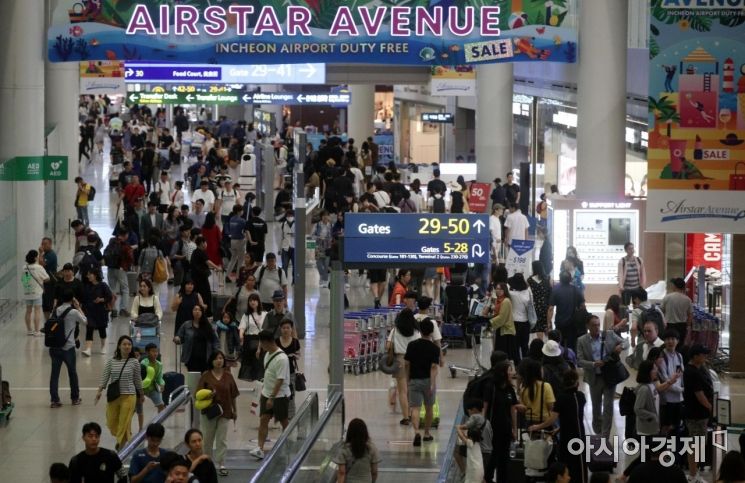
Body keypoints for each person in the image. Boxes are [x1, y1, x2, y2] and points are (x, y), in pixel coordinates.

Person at [576, 315, 628, 437]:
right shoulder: (582, 340)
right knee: (596, 406)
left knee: (608, 406)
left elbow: (626, 342)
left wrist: (621, 346)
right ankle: (597, 430)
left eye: (598, 325)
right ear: (587, 326)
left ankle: (605, 434)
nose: (597, 327)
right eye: (594, 325)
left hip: (609, 376)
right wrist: (593, 364)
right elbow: (580, 361)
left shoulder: (608, 335)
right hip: (594, 377)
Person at [96, 335, 144, 450]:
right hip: (114, 397)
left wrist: (141, 394)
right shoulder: (111, 362)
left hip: (129, 396)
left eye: (129, 344)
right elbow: (105, 376)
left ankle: (120, 447)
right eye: (124, 344)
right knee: (111, 422)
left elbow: (138, 380)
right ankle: (124, 438)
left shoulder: (134, 362)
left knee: (124, 422)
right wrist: (99, 391)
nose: (127, 346)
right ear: (119, 346)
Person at [250, 330, 292, 460]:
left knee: (284, 421)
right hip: (266, 393)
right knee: (263, 420)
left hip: (279, 396)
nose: (260, 346)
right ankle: (260, 448)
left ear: (267, 342)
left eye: (261, 343)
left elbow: (280, 380)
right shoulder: (268, 354)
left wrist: (271, 398)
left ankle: (288, 445)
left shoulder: (282, 358)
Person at [197, 350, 239, 477]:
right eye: (216, 358)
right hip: (209, 412)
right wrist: (210, 395)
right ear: (211, 361)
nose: (219, 361)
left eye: (221, 358)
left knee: (222, 439)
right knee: (207, 438)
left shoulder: (228, 376)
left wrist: (235, 410)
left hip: (225, 411)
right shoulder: (206, 376)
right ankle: (206, 462)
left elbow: (233, 395)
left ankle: (221, 463)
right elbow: (198, 395)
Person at [482, 358, 518, 483]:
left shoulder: (510, 390)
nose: (513, 373)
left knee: (504, 457)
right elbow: (485, 408)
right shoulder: (491, 387)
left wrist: (514, 429)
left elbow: (513, 411)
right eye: (510, 370)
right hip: (493, 428)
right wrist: (482, 426)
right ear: (503, 372)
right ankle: (487, 478)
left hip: (506, 429)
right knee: (493, 455)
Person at [404, 318, 440, 446]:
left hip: (414, 380)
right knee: (429, 408)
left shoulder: (412, 345)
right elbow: (434, 367)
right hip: (428, 381)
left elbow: (406, 364)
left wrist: (408, 380)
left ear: (420, 330)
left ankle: (416, 432)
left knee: (415, 408)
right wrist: (432, 383)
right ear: (431, 332)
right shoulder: (434, 348)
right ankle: (426, 434)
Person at [48, 289, 86, 408]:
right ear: (72, 299)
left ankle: (55, 400)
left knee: (54, 374)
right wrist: (78, 307)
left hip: (54, 347)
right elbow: (85, 321)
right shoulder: (73, 312)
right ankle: (75, 398)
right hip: (68, 347)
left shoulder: (55, 311)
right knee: (72, 373)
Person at [683, 344, 714, 483]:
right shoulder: (692, 372)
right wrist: (709, 407)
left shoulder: (698, 369)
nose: (705, 356)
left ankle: (694, 473)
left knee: (697, 444)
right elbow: (699, 394)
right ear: (695, 356)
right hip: (696, 414)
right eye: (703, 354)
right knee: (695, 444)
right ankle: (693, 475)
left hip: (700, 414)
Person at [552, 369, 587, 483]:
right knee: (579, 466)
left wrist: (537, 426)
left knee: (565, 464)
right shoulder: (580, 396)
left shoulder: (561, 398)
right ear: (577, 382)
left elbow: (555, 418)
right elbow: (574, 417)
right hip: (578, 436)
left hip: (565, 437)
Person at [386, 308, 420, 422]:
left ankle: (405, 417)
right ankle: (412, 413)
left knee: (402, 391)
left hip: (400, 360)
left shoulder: (395, 330)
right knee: (411, 389)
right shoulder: (416, 331)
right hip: (414, 360)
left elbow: (388, 346)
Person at [333, 418, 381, 483]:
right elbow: (374, 471)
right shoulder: (371, 448)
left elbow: (342, 472)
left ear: (349, 432)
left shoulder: (344, 449)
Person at [547, 271, 585, 352]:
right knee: (572, 345)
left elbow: (551, 308)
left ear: (560, 279)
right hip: (573, 322)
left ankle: (560, 360)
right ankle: (571, 361)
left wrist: (548, 323)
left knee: (559, 344)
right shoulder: (575, 289)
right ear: (570, 279)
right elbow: (582, 305)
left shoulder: (555, 290)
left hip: (560, 322)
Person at [174, 305, 219, 373]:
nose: (197, 311)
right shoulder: (186, 325)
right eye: (195, 309)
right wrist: (177, 338)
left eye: (199, 310)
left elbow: (215, 341)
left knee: (204, 380)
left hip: (206, 358)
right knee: (193, 380)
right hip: (191, 358)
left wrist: (216, 354)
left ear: (202, 312)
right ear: (192, 312)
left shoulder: (209, 326)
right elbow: (179, 337)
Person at [455, 399, 492, 478]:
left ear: (474, 409)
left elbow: (464, 426)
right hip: (489, 452)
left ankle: (464, 472)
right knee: (481, 476)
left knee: (456, 451)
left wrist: (458, 427)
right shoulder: (487, 421)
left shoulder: (475, 417)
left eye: (469, 410)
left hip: (480, 451)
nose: (469, 412)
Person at [657, 329, 684, 435]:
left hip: (679, 399)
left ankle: (675, 449)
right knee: (665, 427)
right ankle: (663, 449)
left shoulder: (679, 356)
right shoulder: (662, 357)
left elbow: (681, 376)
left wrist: (681, 390)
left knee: (676, 426)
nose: (670, 341)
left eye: (673, 339)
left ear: (677, 341)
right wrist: (681, 390)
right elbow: (664, 379)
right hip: (667, 399)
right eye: (667, 339)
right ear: (664, 341)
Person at [519, 358, 558, 432]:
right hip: (544, 423)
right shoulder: (546, 386)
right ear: (538, 372)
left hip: (528, 423)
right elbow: (551, 407)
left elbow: (523, 409)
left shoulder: (523, 389)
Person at [81, 269, 113, 356]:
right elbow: (84, 298)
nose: (88, 276)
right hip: (90, 311)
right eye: (87, 275)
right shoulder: (87, 286)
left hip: (101, 311)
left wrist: (101, 299)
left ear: (95, 275)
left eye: (90, 274)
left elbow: (110, 296)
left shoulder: (103, 285)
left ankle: (103, 346)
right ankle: (88, 349)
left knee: (102, 329)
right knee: (89, 328)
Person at [487, 283, 518, 364]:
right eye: (497, 289)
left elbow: (502, 317)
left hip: (506, 332)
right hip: (500, 329)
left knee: (506, 355)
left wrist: (490, 321)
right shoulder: (498, 300)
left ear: (504, 290)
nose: (498, 291)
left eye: (500, 289)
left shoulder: (506, 301)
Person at [21, 249, 50, 335]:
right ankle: (37, 331)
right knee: (37, 311)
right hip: (37, 292)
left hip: (27, 292)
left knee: (28, 311)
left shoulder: (24, 267)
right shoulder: (38, 267)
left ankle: (29, 330)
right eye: (37, 256)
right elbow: (47, 278)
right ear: (35, 257)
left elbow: (24, 280)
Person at [190, 235, 220, 318]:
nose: (206, 244)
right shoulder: (201, 252)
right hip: (201, 279)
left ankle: (199, 312)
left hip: (195, 278)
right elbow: (208, 262)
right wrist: (217, 268)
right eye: (205, 242)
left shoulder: (195, 252)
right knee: (206, 295)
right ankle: (207, 313)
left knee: (198, 295)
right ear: (202, 243)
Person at [277, 319, 301, 418]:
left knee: (291, 395)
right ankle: (279, 415)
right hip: (278, 372)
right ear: (280, 329)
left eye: (288, 328)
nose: (286, 330)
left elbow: (298, 355)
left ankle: (291, 416)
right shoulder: (276, 341)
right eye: (284, 328)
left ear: (291, 329)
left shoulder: (295, 342)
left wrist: (292, 356)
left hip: (290, 372)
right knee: (279, 394)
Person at [106, 231, 134, 318]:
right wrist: (127, 266)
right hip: (121, 269)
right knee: (125, 289)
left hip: (110, 268)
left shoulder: (111, 243)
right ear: (125, 235)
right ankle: (123, 309)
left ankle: (113, 309)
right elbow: (130, 257)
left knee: (112, 288)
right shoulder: (125, 245)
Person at [661, 277, 693, 351]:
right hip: (682, 326)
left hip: (669, 325)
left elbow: (662, 311)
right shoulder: (687, 300)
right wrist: (688, 327)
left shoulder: (667, 297)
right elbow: (690, 315)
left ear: (674, 286)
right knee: (680, 346)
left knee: (669, 346)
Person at [225, 204, 253, 283]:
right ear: (238, 211)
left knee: (233, 259)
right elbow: (246, 231)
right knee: (240, 260)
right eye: (241, 210)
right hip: (240, 241)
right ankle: (238, 277)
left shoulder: (231, 219)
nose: (243, 212)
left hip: (232, 241)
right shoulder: (242, 220)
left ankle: (227, 276)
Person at [508, 273, 531, 363]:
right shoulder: (528, 291)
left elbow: (507, 282)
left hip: (514, 322)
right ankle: (526, 362)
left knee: (515, 345)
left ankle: (517, 363)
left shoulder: (511, 293)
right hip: (525, 321)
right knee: (525, 344)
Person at [634, 360, 660, 436]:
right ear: (647, 372)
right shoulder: (644, 389)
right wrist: (653, 416)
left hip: (653, 427)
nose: (656, 371)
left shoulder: (652, 385)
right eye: (653, 369)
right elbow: (638, 409)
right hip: (645, 431)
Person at [528, 261, 552, 337]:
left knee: (538, 327)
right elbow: (551, 291)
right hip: (546, 305)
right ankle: (550, 343)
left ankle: (540, 344)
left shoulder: (529, 280)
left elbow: (528, 293)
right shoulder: (548, 278)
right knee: (547, 325)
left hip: (535, 306)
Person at [313, 210, 333, 287]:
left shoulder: (331, 225)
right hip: (318, 246)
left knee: (326, 264)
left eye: (327, 215)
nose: (325, 217)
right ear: (321, 217)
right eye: (324, 215)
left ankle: (324, 280)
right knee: (318, 263)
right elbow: (312, 235)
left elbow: (333, 235)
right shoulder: (317, 225)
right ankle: (323, 276)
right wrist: (318, 237)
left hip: (328, 247)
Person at [279, 209, 296, 274]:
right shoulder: (283, 225)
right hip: (285, 248)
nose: (289, 217)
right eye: (288, 215)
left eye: (291, 215)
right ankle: (284, 281)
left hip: (295, 248)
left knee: (295, 266)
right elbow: (280, 237)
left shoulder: (298, 224)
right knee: (284, 266)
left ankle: (294, 282)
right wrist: (279, 249)